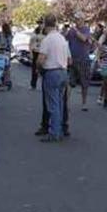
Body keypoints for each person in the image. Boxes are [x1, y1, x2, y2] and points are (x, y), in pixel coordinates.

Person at [37, 14, 71, 142]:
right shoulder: (62, 38)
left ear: (45, 24)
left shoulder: (47, 39)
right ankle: (60, 129)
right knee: (61, 103)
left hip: (52, 72)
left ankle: (54, 132)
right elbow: (69, 59)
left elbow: (41, 59)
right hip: (63, 71)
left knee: (53, 105)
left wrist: (38, 68)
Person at [66, 14, 94, 111]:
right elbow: (67, 42)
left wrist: (76, 31)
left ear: (82, 20)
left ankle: (84, 103)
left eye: (79, 19)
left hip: (84, 59)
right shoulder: (71, 31)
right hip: (73, 59)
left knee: (84, 82)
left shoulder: (86, 29)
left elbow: (84, 38)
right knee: (70, 82)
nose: (77, 21)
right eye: (76, 19)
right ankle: (66, 103)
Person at [29, 25, 44, 89]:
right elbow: (30, 43)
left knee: (43, 69)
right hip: (35, 51)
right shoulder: (34, 34)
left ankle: (44, 85)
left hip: (42, 52)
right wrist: (31, 52)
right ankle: (33, 84)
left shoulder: (45, 35)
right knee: (34, 69)